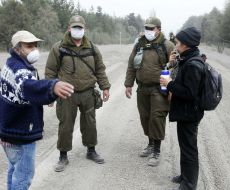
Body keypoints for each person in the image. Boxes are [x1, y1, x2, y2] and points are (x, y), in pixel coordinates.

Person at [0, 30, 74, 190]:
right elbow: (28, 85)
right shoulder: (20, 70)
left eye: (35, 45)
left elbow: (27, 91)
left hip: (8, 130)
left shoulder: (10, 63)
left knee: (14, 170)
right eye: (29, 46)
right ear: (18, 48)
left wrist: (45, 96)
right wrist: (52, 86)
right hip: (20, 133)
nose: (34, 49)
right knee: (23, 176)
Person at [45, 15, 111, 172]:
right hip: (66, 94)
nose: (77, 30)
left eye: (80, 27)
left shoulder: (93, 48)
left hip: (88, 92)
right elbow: (50, 72)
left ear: (84, 29)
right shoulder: (58, 48)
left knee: (90, 123)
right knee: (65, 124)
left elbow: (100, 69)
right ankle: (63, 156)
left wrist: (105, 87)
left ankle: (91, 150)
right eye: (74, 27)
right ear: (69, 28)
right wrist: (50, 93)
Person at [124, 17, 175, 167]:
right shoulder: (139, 44)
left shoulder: (167, 45)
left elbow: (175, 67)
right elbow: (131, 64)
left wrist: (172, 86)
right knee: (145, 117)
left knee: (156, 118)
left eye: (151, 28)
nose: (148, 31)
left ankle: (157, 150)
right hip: (142, 88)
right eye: (146, 28)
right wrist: (128, 84)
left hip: (160, 89)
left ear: (158, 29)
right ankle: (150, 143)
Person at [160, 27, 204, 190]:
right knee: (184, 146)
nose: (176, 45)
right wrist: (172, 63)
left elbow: (190, 93)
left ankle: (190, 184)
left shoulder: (193, 64)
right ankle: (185, 176)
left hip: (190, 113)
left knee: (189, 149)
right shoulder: (187, 58)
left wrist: (169, 84)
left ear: (186, 45)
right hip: (185, 112)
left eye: (178, 42)